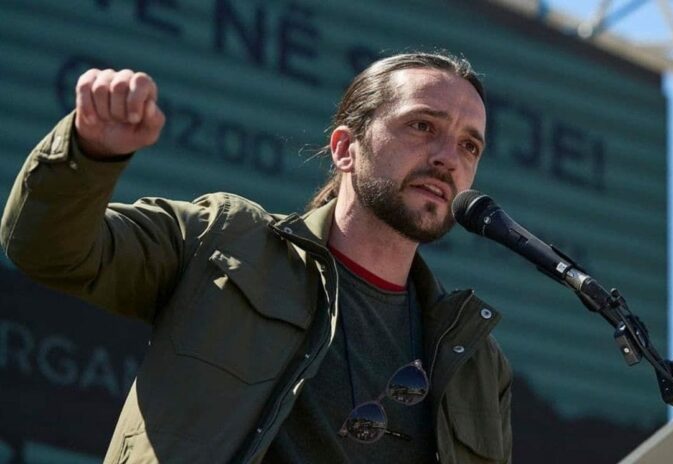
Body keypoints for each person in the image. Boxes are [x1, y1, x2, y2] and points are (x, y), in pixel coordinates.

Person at [0, 52, 512, 463]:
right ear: (344, 149)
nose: (448, 158)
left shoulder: (477, 364)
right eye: (423, 126)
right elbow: (46, 249)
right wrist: (89, 152)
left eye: (470, 146)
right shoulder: (222, 241)